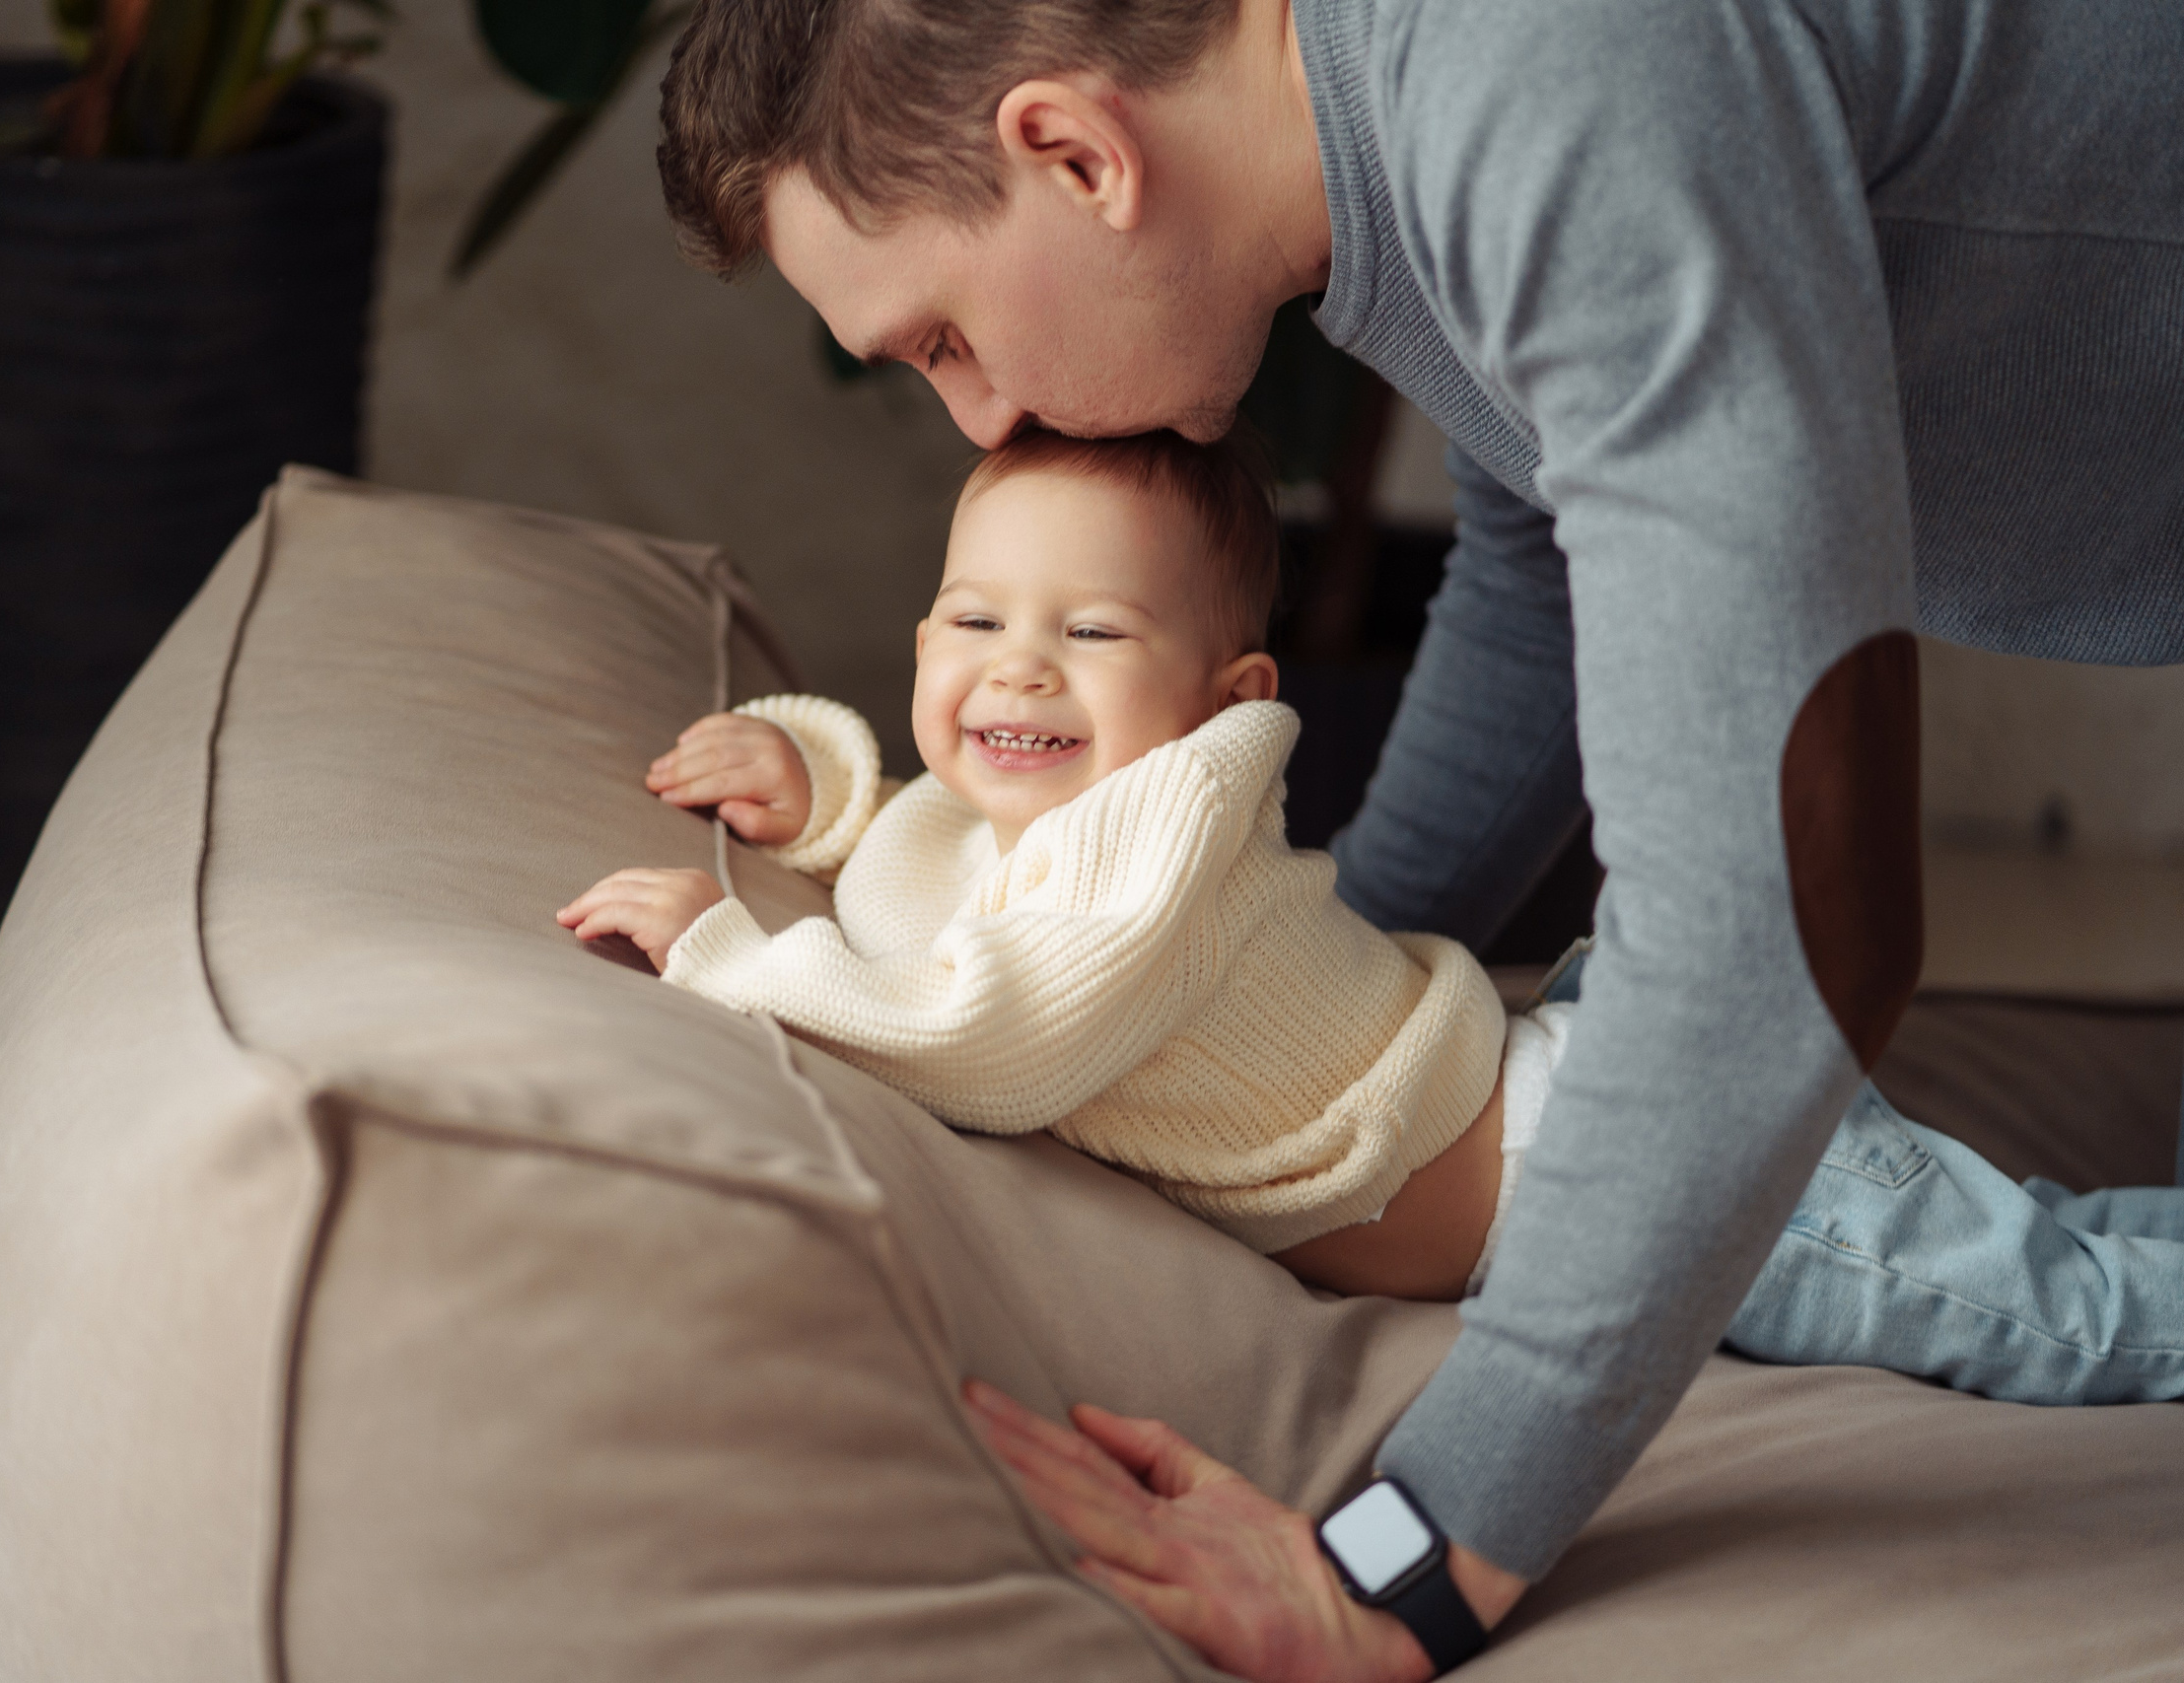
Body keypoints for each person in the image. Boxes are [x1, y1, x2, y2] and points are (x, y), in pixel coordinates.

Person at [650, 0, 2184, 1675]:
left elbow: (1782, 921)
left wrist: (1407, 1558)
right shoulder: (1394, 147)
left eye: (942, 337)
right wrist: (1289, 1005)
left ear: (1075, 154)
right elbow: (1546, 584)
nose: (977, 417)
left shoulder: (1546, 73)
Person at [559, 423, 2184, 1363]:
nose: (1018, 667)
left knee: (2056, 1320)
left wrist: (728, 956)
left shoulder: (1167, 831)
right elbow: (957, 868)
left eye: (1094, 634)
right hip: (1571, 1082)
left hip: (1610, 1166)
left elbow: (992, 1031)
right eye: (972, 621)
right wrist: (827, 799)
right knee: (2043, 1244)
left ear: (1222, 700)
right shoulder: (1044, 833)